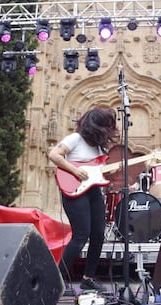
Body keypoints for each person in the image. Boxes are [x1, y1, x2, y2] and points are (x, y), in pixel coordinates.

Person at [49, 106, 119, 293]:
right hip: (73, 190)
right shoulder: (75, 139)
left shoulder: (98, 147)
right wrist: (75, 171)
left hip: (93, 191)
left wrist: (110, 173)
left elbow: (97, 174)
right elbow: (54, 155)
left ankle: (88, 278)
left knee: (98, 234)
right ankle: (57, 277)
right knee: (81, 235)